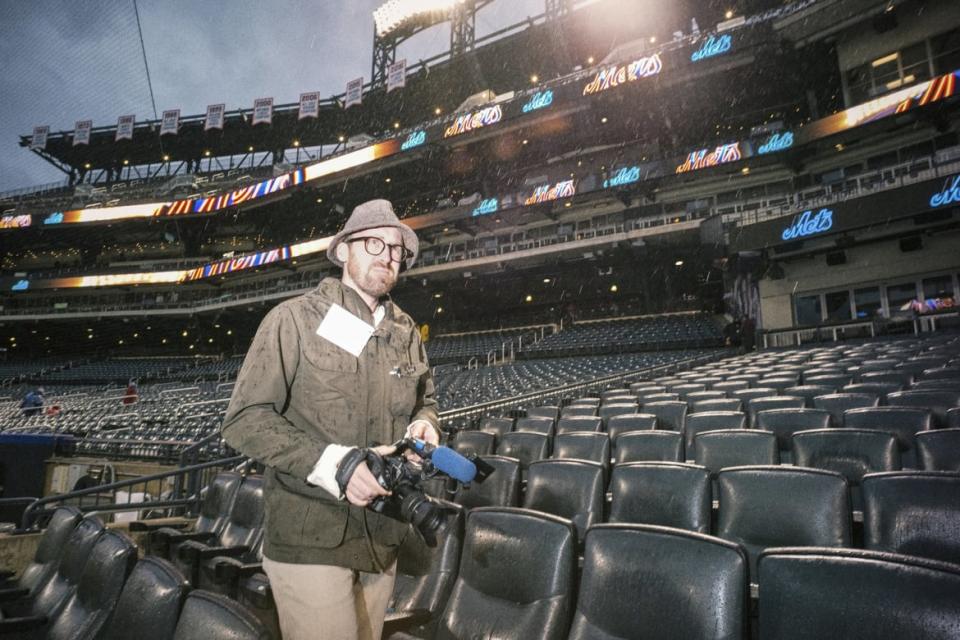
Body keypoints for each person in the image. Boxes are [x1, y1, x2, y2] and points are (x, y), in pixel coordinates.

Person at [221, 199, 439, 640]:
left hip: (382, 537)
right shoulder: (293, 320)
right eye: (374, 243)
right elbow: (244, 419)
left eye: (396, 249)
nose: (387, 256)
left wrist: (426, 424)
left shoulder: (405, 332)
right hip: (311, 537)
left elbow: (425, 402)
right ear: (343, 251)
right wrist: (336, 464)